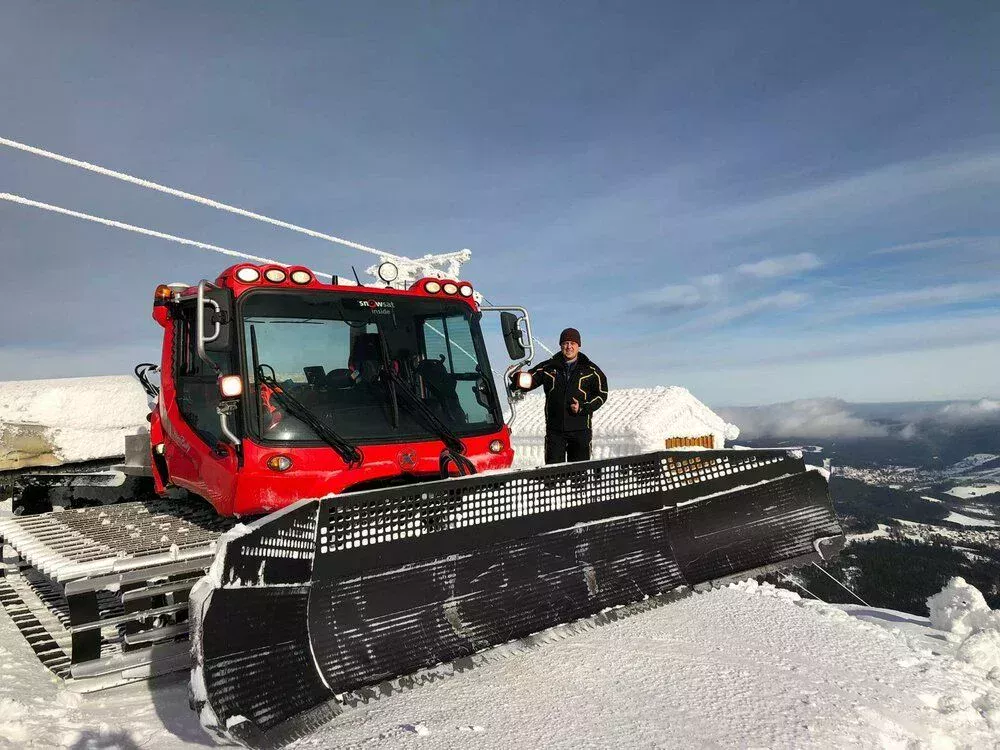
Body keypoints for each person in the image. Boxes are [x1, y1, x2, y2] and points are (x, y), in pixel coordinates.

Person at [512, 327, 608, 464]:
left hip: (580, 430)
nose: (569, 347)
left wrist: (583, 407)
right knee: (553, 475)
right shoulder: (548, 367)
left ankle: (579, 485)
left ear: (578, 346)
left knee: (579, 475)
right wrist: (515, 377)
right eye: (565, 343)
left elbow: (602, 394)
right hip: (555, 431)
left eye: (572, 343)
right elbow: (528, 381)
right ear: (561, 345)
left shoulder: (591, 370)